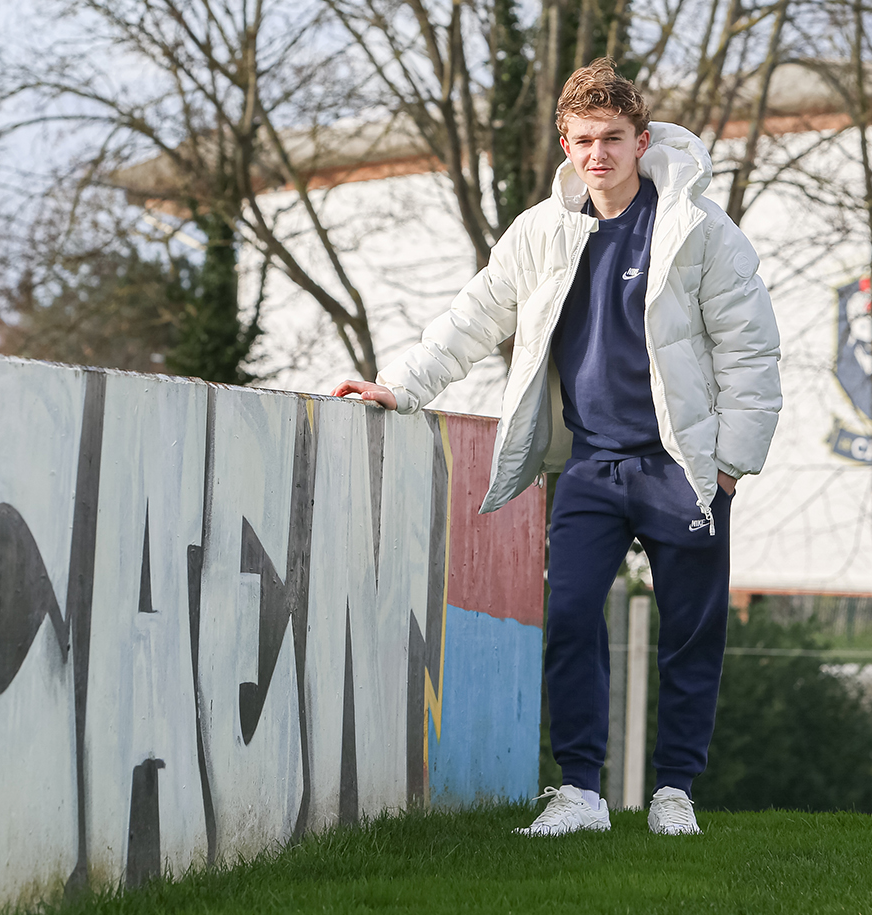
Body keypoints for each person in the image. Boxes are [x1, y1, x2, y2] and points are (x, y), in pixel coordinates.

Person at [331, 58, 781, 836]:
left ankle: (674, 792)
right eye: (583, 140)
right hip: (592, 468)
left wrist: (733, 462)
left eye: (613, 138)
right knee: (570, 617)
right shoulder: (542, 233)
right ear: (564, 144)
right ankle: (581, 792)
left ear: (642, 141)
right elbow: (472, 316)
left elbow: (751, 350)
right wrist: (399, 386)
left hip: (686, 470)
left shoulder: (700, 229)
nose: (598, 153)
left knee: (691, 631)